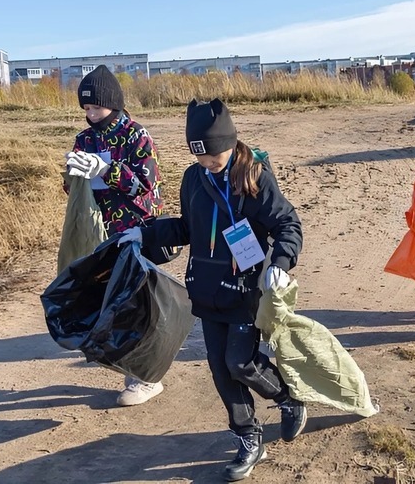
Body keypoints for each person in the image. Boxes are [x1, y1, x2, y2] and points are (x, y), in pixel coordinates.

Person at [118, 98, 306, 482]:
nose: (207, 163)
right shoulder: (193, 178)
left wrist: (281, 264)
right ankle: (249, 437)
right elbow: (188, 228)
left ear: (230, 144)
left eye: (214, 156)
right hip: (205, 289)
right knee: (221, 371)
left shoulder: (254, 175)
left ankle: (287, 399)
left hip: (244, 289)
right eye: (199, 157)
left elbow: (288, 224)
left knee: (242, 363)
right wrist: (146, 232)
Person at [64, 64, 166, 406]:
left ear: (113, 103)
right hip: (101, 233)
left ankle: (145, 378)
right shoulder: (85, 139)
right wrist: (73, 175)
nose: (90, 114)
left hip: (137, 230)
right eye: (86, 109)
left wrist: (107, 169)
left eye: (95, 107)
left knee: (137, 303)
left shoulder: (137, 136)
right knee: (110, 300)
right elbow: (75, 194)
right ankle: (122, 360)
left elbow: (143, 184)